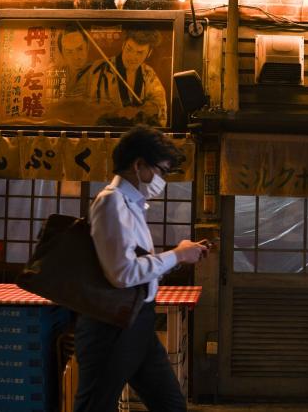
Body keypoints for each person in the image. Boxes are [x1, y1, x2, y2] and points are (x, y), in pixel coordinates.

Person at [73, 125, 207, 411]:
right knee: (95, 406)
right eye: (161, 171)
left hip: (139, 319)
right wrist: (178, 256)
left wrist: (180, 252)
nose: (162, 179)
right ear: (138, 165)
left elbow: (136, 267)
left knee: (170, 405)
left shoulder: (131, 204)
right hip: (110, 326)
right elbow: (123, 274)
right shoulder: (111, 202)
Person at [89, 29, 168, 127]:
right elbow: (89, 110)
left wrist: (146, 109)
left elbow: (160, 106)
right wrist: (116, 112)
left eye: (139, 53)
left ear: (149, 53)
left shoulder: (149, 74)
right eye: (129, 49)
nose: (132, 57)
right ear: (123, 45)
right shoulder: (100, 69)